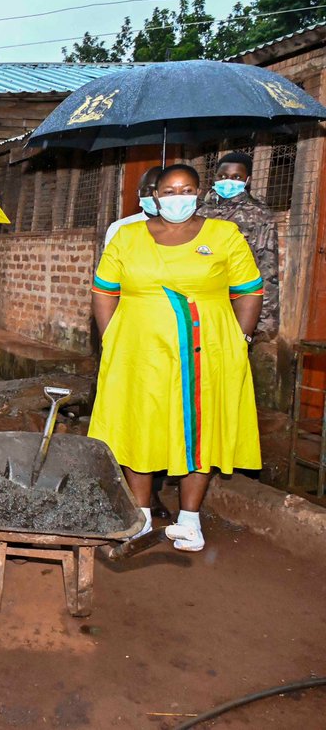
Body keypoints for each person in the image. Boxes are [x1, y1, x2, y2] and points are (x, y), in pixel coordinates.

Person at [89, 164, 263, 552]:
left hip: (206, 351)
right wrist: (110, 337)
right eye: (169, 191)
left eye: (186, 189)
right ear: (155, 196)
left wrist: (241, 337)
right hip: (139, 352)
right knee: (141, 425)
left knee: (200, 429)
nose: (177, 197)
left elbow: (250, 290)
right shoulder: (128, 237)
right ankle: (140, 517)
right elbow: (104, 290)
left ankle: (189, 519)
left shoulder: (224, 234)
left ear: (199, 193)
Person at [204, 151, 279, 340]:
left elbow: (267, 266)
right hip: (203, 297)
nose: (227, 181)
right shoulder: (199, 211)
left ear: (247, 180)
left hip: (239, 298)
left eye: (236, 177)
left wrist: (264, 322)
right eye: (222, 176)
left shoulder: (258, 214)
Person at [104, 166, 161, 246]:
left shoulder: (180, 228)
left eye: (158, 190)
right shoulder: (119, 228)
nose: (153, 195)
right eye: (147, 190)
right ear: (138, 192)